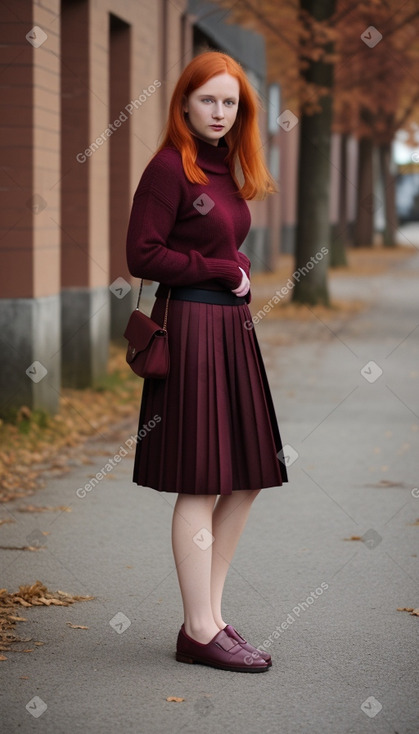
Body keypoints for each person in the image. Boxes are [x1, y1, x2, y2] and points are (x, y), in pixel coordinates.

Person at [126, 51, 288, 673]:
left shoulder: (225, 165)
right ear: (185, 104)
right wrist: (222, 270)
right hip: (191, 326)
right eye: (207, 100)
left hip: (230, 328)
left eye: (230, 102)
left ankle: (211, 616)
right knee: (200, 478)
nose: (219, 112)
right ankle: (198, 629)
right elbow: (142, 253)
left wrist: (237, 263)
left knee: (245, 473)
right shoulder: (169, 168)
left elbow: (221, 242)